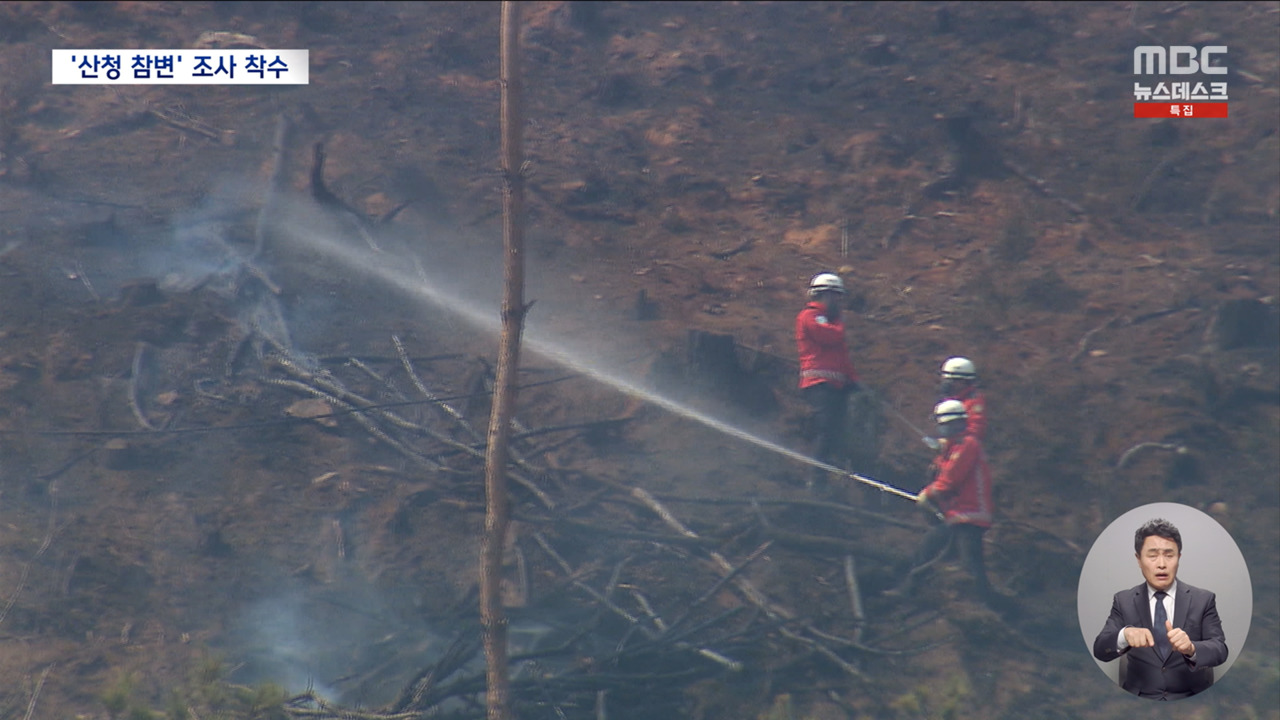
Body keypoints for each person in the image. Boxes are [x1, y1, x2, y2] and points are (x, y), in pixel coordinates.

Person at [1092, 518, 1228, 700]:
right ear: (1138, 559)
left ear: (1179, 558)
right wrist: (1125, 635)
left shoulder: (1203, 599)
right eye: (1152, 555)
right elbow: (1101, 649)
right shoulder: (1123, 600)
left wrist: (1191, 648)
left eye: (1169, 555)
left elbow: (1220, 650)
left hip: (1190, 700)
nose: (1161, 564)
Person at [890, 399, 994, 602]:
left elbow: (950, 478)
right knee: (929, 549)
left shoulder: (968, 445)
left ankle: (986, 602)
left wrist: (928, 494)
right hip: (957, 515)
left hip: (969, 515)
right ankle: (908, 590)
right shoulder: (955, 447)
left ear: (950, 424)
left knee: (971, 565)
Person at [795, 272, 860, 491]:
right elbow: (829, 337)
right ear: (823, 295)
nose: (839, 303)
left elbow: (841, 357)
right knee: (824, 431)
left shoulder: (830, 321)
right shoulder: (810, 316)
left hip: (836, 387)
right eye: (836, 297)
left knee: (836, 432)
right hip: (818, 386)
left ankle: (831, 478)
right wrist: (840, 324)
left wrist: (853, 380)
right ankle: (815, 479)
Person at [938, 357, 986, 442]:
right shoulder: (949, 400)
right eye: (946, 380)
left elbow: (976, 430)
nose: (948, 384)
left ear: (963, 381)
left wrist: (952, 440)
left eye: (952, 381)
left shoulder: (973, 401)